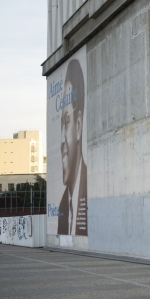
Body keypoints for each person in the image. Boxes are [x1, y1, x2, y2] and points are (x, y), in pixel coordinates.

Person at [58, 58, 88, 236]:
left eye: (66, 122)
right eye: (60, 124)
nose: (61, 138)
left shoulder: (89, 188)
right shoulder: (63, 203)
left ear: (78, 125)